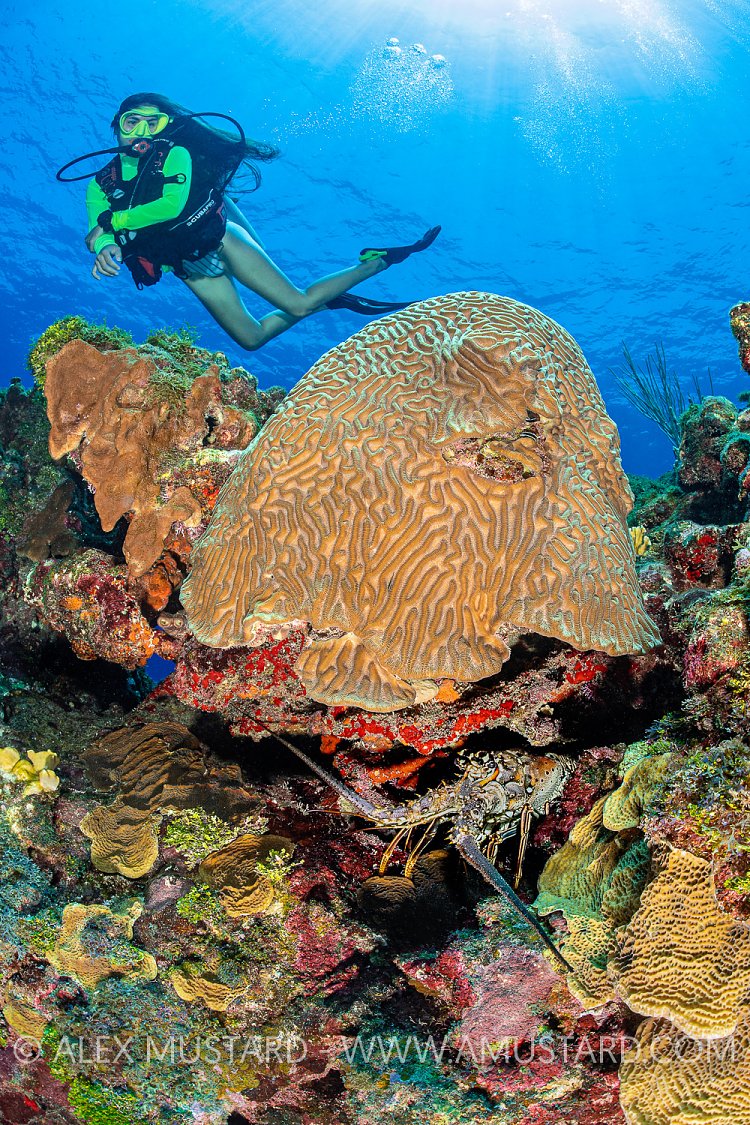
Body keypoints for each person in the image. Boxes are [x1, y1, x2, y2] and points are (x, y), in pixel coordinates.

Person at [81, 93, 441, 352]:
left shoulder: (175, 155)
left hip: (219, 239)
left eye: (152, 123)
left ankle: (380, 260)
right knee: (251, 339)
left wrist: (111, 221)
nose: (141, 132)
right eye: (132, 122)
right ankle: (329, 300)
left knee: (296, 303)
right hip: (189, 265)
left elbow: (170, 207)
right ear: (117, 128)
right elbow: (97, 234)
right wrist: (105, 245)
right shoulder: (100, 185)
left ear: (166, 128)